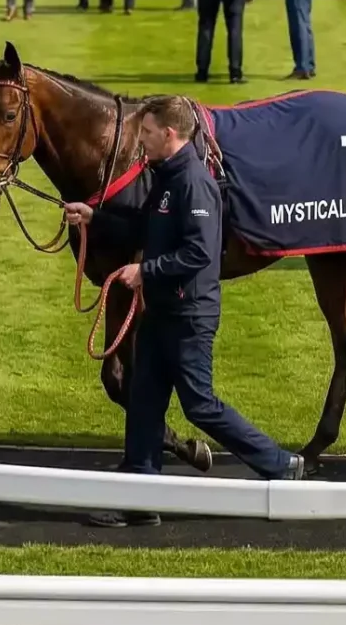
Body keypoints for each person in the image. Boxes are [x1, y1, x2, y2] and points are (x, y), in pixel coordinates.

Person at [68, 95, 303, 525]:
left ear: (170, 134)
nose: (141, 140)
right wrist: (94, 218)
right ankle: (139, 500)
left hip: (189, 315)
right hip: (163, 312)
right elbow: (145, 224)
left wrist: (146, 270)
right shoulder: (165, 175)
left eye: (148, 132)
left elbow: (200, 252)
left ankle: (279, 463)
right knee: (143, 400)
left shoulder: (194, 183)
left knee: (200, 405)